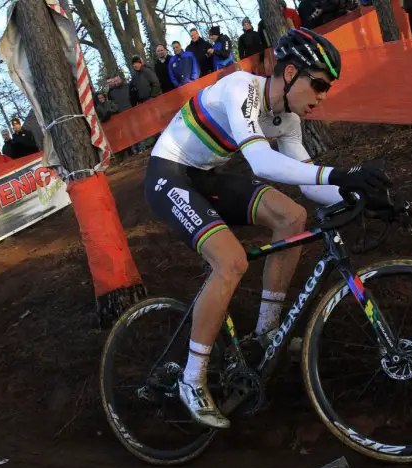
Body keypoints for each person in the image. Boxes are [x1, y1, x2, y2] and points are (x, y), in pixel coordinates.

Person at [144, 27, 390, 429]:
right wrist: (344, 174)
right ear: (291, 72)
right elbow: (260, 163)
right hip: (169, 174)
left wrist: (362, 198)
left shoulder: (287, 119)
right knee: (232, 262)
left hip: (204, 175)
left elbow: (309, 182)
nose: (323, 97)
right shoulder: (241, 87)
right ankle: (192, 378)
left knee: (292, 217)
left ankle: (264, 335)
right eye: (320, 85)